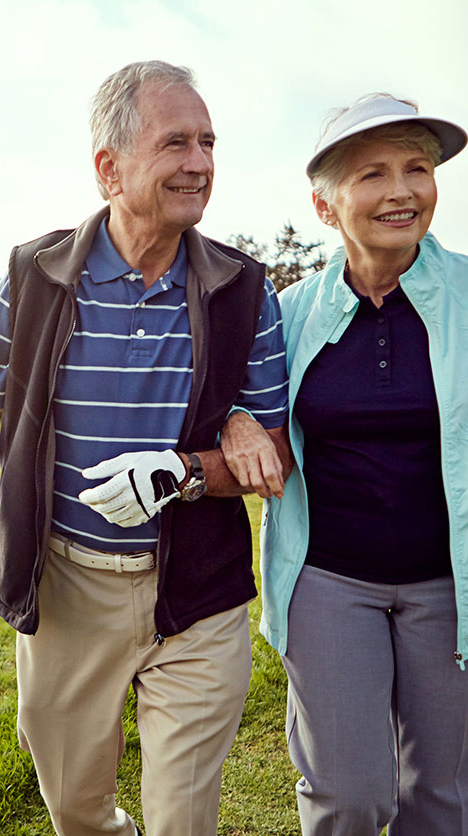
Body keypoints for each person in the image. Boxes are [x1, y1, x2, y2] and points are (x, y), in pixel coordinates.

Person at [0, 60, 291, 836]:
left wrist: (185, 471)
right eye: (175, 144)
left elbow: (276, 457)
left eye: (208, 143)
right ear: (110, 167)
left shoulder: (244, 288)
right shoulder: (33, 275)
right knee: (75, 809)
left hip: (197, 596)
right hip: (67, 590)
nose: (199, 163)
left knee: (183, 821)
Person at [221, 94, 468, 835]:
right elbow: (236, 405)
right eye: (374, 174)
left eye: (418, 168)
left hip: (460, 584)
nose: (402, 191)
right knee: (349, 797)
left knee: (440, 801)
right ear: (325, 206)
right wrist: (234, 424)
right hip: (329, 582)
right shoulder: (284, 313)